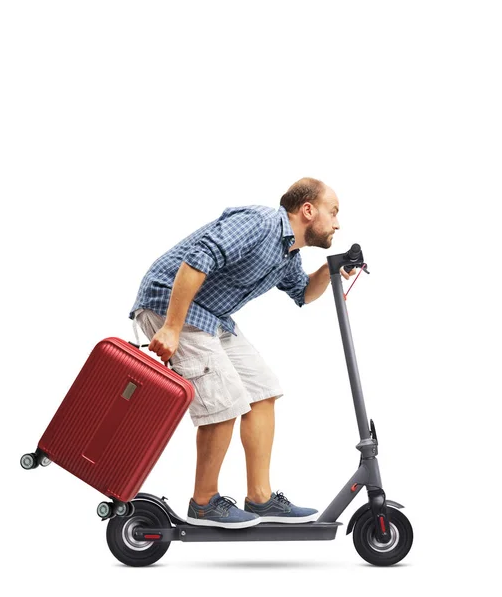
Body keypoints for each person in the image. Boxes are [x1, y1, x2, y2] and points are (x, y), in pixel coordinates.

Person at [129, 177, 356, 529]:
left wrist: (328, 269)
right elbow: (196, 260)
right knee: (225, 400)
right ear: (308, 210)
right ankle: (204, 503)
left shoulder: (288, 253)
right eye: (334, 212)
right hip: (168, 303)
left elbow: (304, 293)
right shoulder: (260, 223)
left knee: (263, 390)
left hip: (211, 316)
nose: (338, 223)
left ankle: (260, 498)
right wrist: (171, 327)